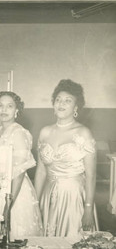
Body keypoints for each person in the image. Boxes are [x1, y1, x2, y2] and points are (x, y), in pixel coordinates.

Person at [35, 79, 96, 236]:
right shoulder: (45, 132)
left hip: (73, 196)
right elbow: (41, 171)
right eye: (58, 99)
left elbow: (91, 176)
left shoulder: (83, 133)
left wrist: (88, 208)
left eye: (67, 101)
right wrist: (35, 203)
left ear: (76, 108)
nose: (61, 104)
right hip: (48, 195)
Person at [0, 91, 43, 239]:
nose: (4, 110)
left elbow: (19, 172)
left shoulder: (19, 133)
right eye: (0, 106)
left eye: (9, 106)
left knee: (13, 236)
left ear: (17, 110)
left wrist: (8, 205)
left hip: (14, 193)